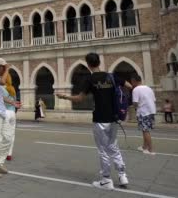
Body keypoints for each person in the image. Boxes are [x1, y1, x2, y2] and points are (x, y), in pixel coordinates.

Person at [57, 52, 130, 190]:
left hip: (100, 118)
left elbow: (79, 99)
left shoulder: (90, 79)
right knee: (113, 146)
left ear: (88, 64)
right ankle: (122, 175)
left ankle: (106, 180)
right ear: (99, 62)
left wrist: (64, 97)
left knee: (103, 149)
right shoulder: (112, 76)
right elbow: (129, 86)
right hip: (114, 118)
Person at [130, 74, 156, 155]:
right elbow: (154, 100)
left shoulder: (136, 90)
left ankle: (150, 150)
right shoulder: (149, 88)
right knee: (145, 130)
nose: (131, 83)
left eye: (132, 82)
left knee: (145, 131)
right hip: (151, 111)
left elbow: (135, 102)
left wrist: (135, 108)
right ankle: (144, 147)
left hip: (143, 112)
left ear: (134, 81)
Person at [3, 75, 18, 161]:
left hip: (4, 112)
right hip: (12, 113)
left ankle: (3, 152)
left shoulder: (1, 88)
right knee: (12, 133)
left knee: (3, 133)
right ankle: (9, 154)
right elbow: (15, 101)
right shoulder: (12, 89)